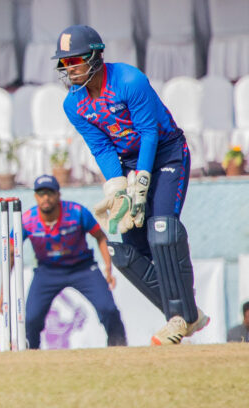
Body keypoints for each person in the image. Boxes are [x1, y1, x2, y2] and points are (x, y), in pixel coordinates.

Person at [54, 25, 210, 346]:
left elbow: (149, 132)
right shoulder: (73, 104)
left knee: (162, 230)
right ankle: (188, 312)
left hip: (166, 152)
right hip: (126, 162)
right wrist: (116, 186)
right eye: (65, 63)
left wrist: (141, 180)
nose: (69, 69)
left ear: (95, 56)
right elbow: (101, 147)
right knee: (129, 251)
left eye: (75, 61)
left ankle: (177, 319)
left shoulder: (129, 80)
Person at [17, 175, 127, 349]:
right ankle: (32, 353)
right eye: (41, 193)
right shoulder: (27, 220)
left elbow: (100, 237)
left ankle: (119, 347)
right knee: (31, 318)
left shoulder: (77, 212)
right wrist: (3, 290)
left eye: (50, 193)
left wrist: (108, 268)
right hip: (47, 271)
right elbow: (10, 250)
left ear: (58, 195)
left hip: (82, 268)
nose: (45, 197)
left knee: (108, 309)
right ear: (35, 197)